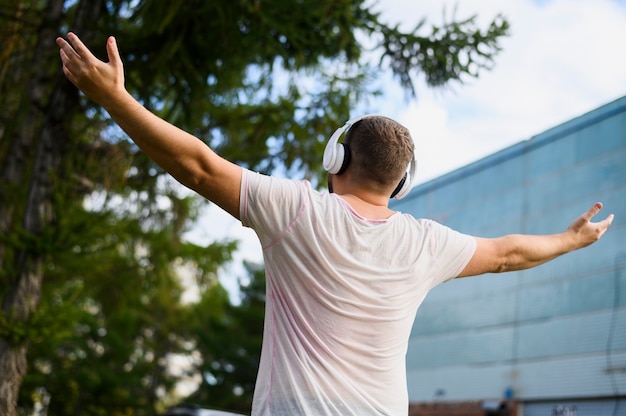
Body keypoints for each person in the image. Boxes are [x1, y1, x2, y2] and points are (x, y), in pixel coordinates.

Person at [56, 33, 614, 416]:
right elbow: (509, 253)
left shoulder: (296, 211)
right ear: (400, 183)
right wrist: (571, 239)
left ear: (336, 160)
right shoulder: (426, 243)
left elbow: (197, 166)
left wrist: (115, 98)